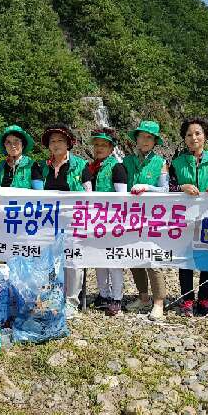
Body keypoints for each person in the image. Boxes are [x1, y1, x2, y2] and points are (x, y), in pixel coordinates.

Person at [170, 116, 208, 317]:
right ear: (184, 138)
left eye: (197, 133)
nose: (193, 138)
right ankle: (187, 298)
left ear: (205, 136)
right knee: (185, 259)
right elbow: (169, 188)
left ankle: (204, 296)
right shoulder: (176, 162)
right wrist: (181, 187)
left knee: (207, 257)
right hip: (184, 218)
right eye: (189, 134)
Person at [40, 123, 92, 317]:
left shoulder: (82, 165)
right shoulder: (42, 167)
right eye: (52, 141)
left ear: (68, 143)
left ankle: (71, 300)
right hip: (49, 221)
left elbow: (89, 193)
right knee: (51, 259)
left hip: (75, 220)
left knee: (74, 260)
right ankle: (53, 296)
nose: (56, 144)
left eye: (60, 140)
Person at [121, 120, 169, 320]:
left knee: (152, 258)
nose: (145, 140)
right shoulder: (127, 161)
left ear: (155, 141)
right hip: (130, 216)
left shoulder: (161, 162)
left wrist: (146, 187)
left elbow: (165, 189)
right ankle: (143, 297)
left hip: (153, 218)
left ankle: (159, 302)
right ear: (137, 139)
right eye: (142, 136)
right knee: (135, 256)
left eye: (150, 137)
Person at [89, 128, 128, 316]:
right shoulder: (91, 167)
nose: (99, 148)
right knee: (99, 260)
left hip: (112, 221)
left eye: (103, 145)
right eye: (96, 145)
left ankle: (117, 297)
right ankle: (103, 294)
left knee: (113, 260)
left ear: (111, 148)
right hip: (95, 220)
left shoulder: (117, 167)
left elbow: (121, 198)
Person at [0, 125, 43, 189]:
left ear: (23, 145)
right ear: (5, 146)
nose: (12, 145)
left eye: (16, 141)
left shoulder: (32, 166)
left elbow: (39, 193)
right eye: (8, 142)